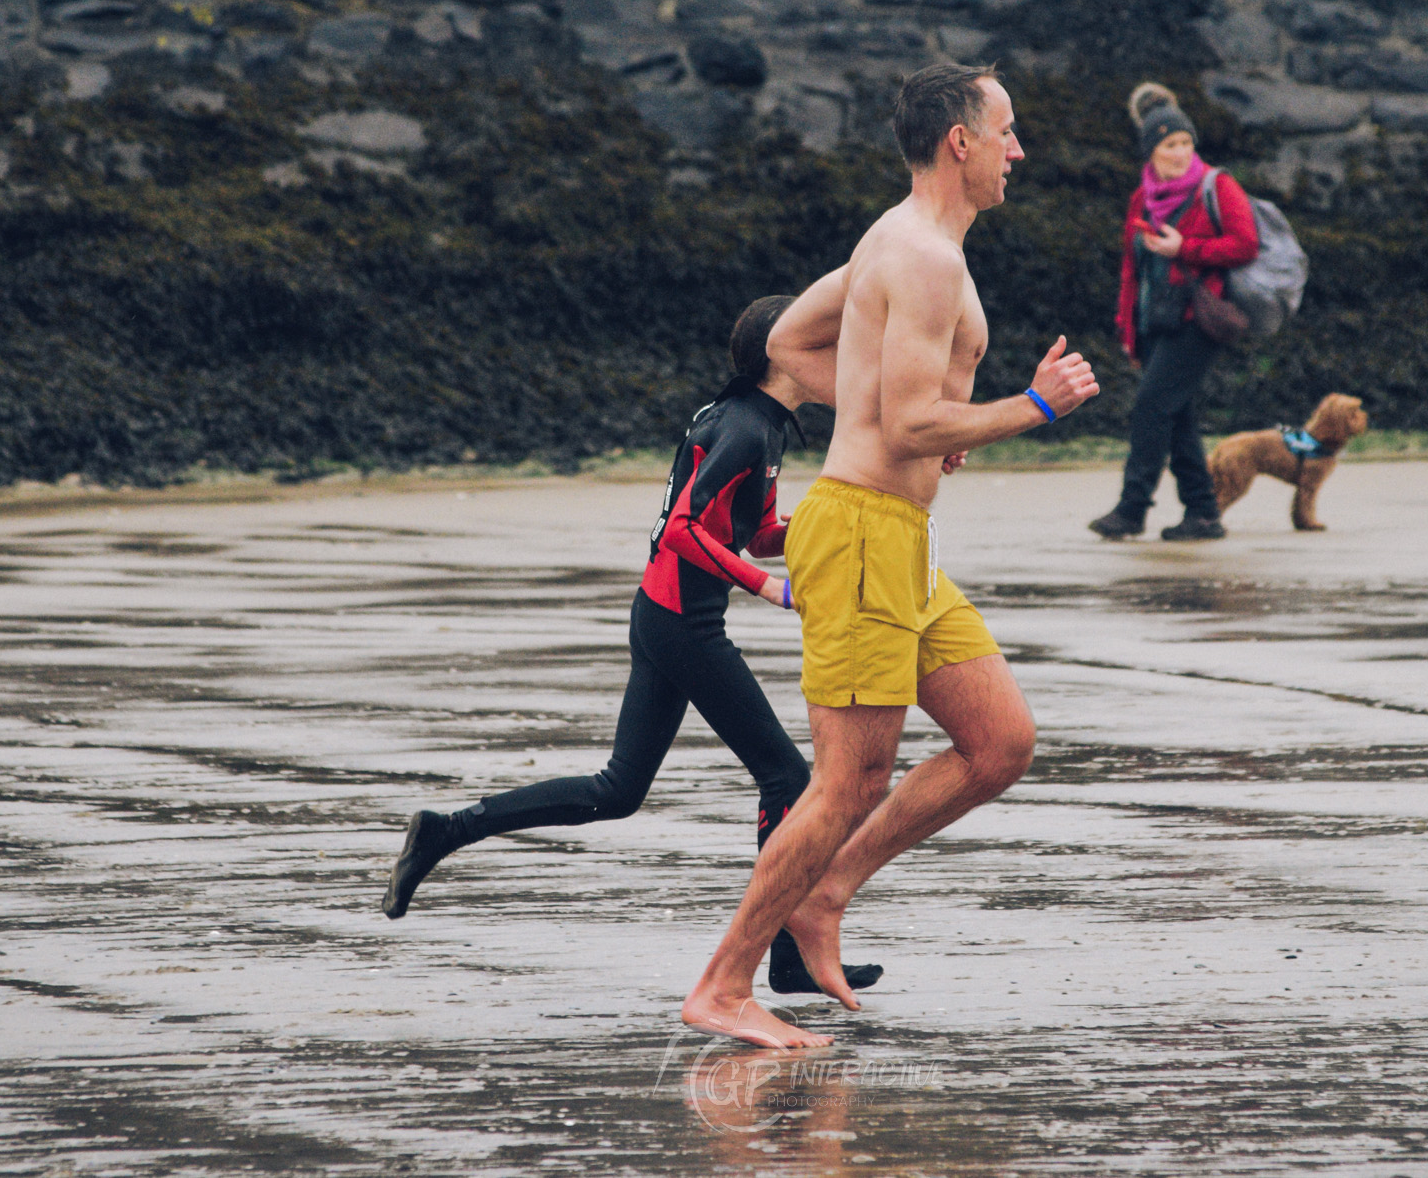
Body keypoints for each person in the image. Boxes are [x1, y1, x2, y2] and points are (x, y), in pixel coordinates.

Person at [678, 61, 1101, 1049]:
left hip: (901, 538)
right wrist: (1029, 407)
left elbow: (785, 337)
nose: (1018, 148)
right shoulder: (919, 255)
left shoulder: (901, 239)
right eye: (1006, 130)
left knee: (998, 740)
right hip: (861, 529)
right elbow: (908, 418)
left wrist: (901, 413)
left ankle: (825, 893)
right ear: (961, 139)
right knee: (846, 780)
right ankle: (723, 981)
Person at [385, 295, 883, 999]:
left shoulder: (760, 422)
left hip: (664, 614)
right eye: (821, 342)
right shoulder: (743, 426)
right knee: (787, 778)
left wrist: (835, 521)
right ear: (784, 353)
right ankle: (785, 956)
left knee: (618, 791)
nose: (833, 356)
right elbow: (683, 528)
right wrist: (769, 589)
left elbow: (755, 527)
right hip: (683, 624)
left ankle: (444, 831)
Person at [1088, 82, 1261, 542]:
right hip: (1154, 321)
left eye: (1186, 143)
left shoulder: (1217, 186)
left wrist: (1187, 247)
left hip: (1199, 320)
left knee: (1150, 406)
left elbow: (1246, 245)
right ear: (1152, 152)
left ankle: (1132, 509)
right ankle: (1203, 513)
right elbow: (1132, 268)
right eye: (1170, 145)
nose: (1181, 152)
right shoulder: (1141, 199)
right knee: (1176, 416)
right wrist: (1128, 330)